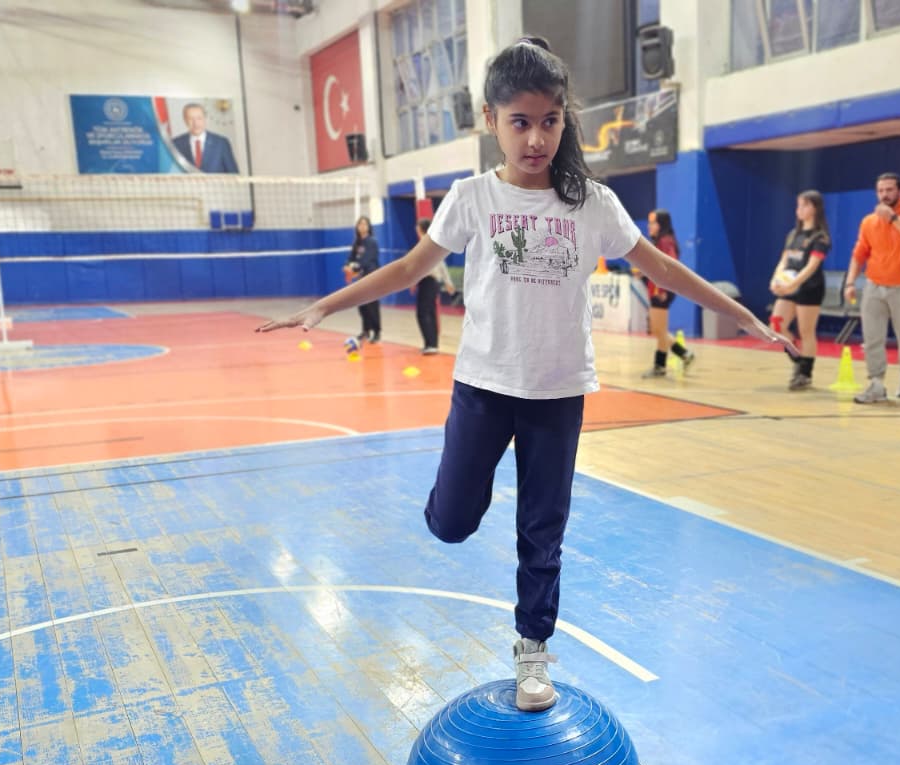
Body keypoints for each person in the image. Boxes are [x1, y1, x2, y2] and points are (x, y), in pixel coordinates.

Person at [256, 36, 794, 712]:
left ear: (565, 120)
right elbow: (405, 270)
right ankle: (455, 498)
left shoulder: (591, 203)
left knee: (544, 531)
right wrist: (324, 307)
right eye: (521, 122)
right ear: (492, 121)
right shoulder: (471, 199)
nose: (537, 137)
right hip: (483, 388)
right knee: (451, 522)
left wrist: (738, 312)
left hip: (557, 394)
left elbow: (660, 267)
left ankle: (532, 650)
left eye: (550, 120)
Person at [844, 172, 900, 402]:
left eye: (889, 190)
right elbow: (859, 253)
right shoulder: (869, 221)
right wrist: (850, 281)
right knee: (872, 336)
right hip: (874, 284)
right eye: (881, 190)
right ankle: (876, 383)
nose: (884, 194)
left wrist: (893, 218)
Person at [768, 191, 831, 390]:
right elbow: (784, 261)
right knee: (776, 325)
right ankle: (798, 359)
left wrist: (793, 285)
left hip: (810, 288)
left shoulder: (820, 237)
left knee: (806, 331)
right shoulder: (793, 235)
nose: (799, 210)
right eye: (798, 205)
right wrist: (776, 280)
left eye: (804, 205)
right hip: (789, 286)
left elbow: (811, 266)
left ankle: (805, 373)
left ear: (814, 208)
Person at [641, 209, 694, 377]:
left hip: (661, 291)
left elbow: (670, 266)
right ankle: (684, 354)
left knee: (659, 330)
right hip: (657, 289)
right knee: (659, 330)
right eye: (649, 223)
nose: (649, 226)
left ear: (662, 224)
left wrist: (662, 289)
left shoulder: (665, 241)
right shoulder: (659, 241)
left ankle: (660, 366)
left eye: (653, 223)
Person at [413, 217, 454, 354]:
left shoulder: (425, 244)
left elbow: (424, 266)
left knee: (423, 313)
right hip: (432, 282)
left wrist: (412, 280)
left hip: (428, 281)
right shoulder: (432, 242)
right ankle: (432, 343)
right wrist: (447, 282)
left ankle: (431, 344)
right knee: (429, 312)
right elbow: (442, 264)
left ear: (420, 229)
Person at [172, 103, 240, 174]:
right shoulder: (176, 144)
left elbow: (233, 175)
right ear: (185, 120)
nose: (196, 123)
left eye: (199, 118)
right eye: (190, 119)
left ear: (205, 119)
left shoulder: (221, 143)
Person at [344, 216, 382, 343]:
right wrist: (347, 266)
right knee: (362, 306)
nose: (362, 226)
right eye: (360, 224)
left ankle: (376, 332)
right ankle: (365, 331)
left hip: (372, 278)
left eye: (364, 224)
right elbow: (351, 258)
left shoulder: (372, 242)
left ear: (369, 227)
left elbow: (367, 260)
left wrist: (354, 268)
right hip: (361, 278)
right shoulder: (357, 243)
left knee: (372, 305)